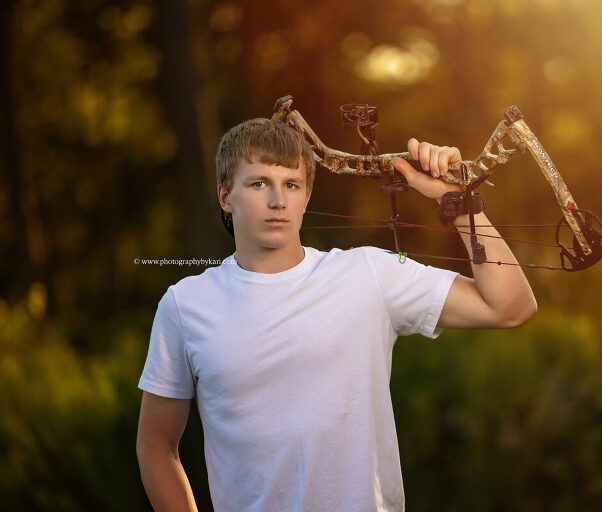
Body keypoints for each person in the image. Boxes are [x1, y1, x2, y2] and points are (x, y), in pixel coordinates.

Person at [136, 118, 537, 512]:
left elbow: (510, 306)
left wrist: (458, 201)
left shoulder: (369, 272)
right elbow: (156, 445)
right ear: (226, 196)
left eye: (291, 185)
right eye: (259, 183)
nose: (278, 201)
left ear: (307, 196)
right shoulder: (185, 304)